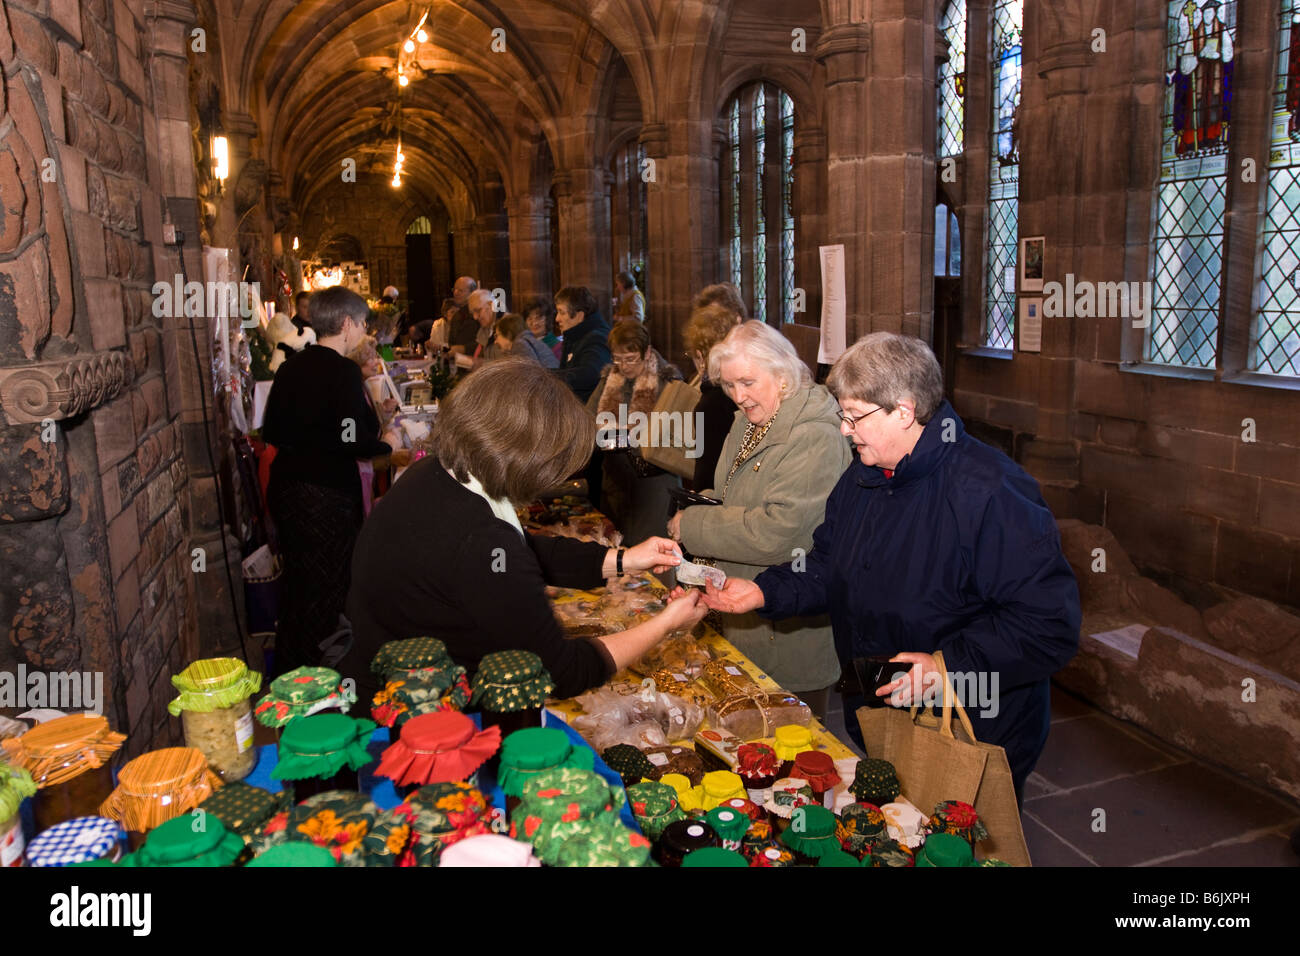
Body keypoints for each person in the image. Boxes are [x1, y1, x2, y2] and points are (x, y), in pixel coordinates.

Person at [701, 332, 1081, 802]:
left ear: (904, 411)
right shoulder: (864, 476)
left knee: (956, 843)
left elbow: (1049, 624)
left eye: (854, 416)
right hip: (883, 711)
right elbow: (826, 565)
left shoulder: (991, 492)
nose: (843, 429)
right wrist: (764, 592)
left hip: (971, 725)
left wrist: (947, 669)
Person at [343, 358, 706, 705]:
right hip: (418, 720)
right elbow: (561, 671)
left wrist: (626, 559)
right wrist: (666, 624)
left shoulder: (437, 474)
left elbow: (523, 552)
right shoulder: (481, 538)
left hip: (379, 679)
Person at [665, 321, 849, 714]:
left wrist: (693, 525)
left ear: (782, 373)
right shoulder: (751, 419)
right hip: (739, 617)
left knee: (788, 757)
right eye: (729, 386)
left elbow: (782, 533)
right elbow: (735, 492)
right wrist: (702, 501)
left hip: (784, 632)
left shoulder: (814, 434)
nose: (738, 396)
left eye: (747, 382)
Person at [262, 286, 403, 673]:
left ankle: (291, 676)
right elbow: (350, 440)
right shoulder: (341, 369)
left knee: (298, 585)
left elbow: (271, 429)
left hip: (287, 487)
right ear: (345, 324)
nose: (363, 331)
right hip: (323, 495)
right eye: (361, 323)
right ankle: (322, 680)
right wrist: (386, 444)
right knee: (328, 589)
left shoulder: (292, 365)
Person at [590, 319, 684, 543]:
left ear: (647, 352)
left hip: (654, 486)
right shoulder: (609, 380)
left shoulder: (668, 383)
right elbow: (587, 418)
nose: (623, 366)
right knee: (620, 554)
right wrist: (602, 431)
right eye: (617, 359)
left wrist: (636, 436)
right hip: (617, 484)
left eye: (630, 359)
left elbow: (678, 435)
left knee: (655, 555)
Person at [682, 302, 738, 491]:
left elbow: (707, 474)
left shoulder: (712, 404)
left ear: (699, 356)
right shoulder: (741, 390)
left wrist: (693, 509)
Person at [553, 285, 611, 404]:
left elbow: (590, 374)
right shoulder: (574, 335)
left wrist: (547, 375)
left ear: (579, 316)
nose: (557, 318)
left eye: (561, 312)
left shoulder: (597, 338)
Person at [518, 297, 560, 368]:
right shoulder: (522, 343)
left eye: (538, 318)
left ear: (547, 319)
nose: (534, 323)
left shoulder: (557, 346)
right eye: (529, 319)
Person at [447, 276, 479, 354]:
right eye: (454, 289)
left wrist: (465, 349)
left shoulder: (479, 312)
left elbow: (487, 340)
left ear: (472, 292)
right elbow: (451, 342)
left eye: (460, 290)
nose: (455, 293)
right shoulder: (456, 316)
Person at [468, 289, 498, 364]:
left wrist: (481, 363)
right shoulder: (485, 328)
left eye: (478, 311)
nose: (475, 317)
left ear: (491, 305)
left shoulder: (506, 328)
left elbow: (508, 365)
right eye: (472, 313)